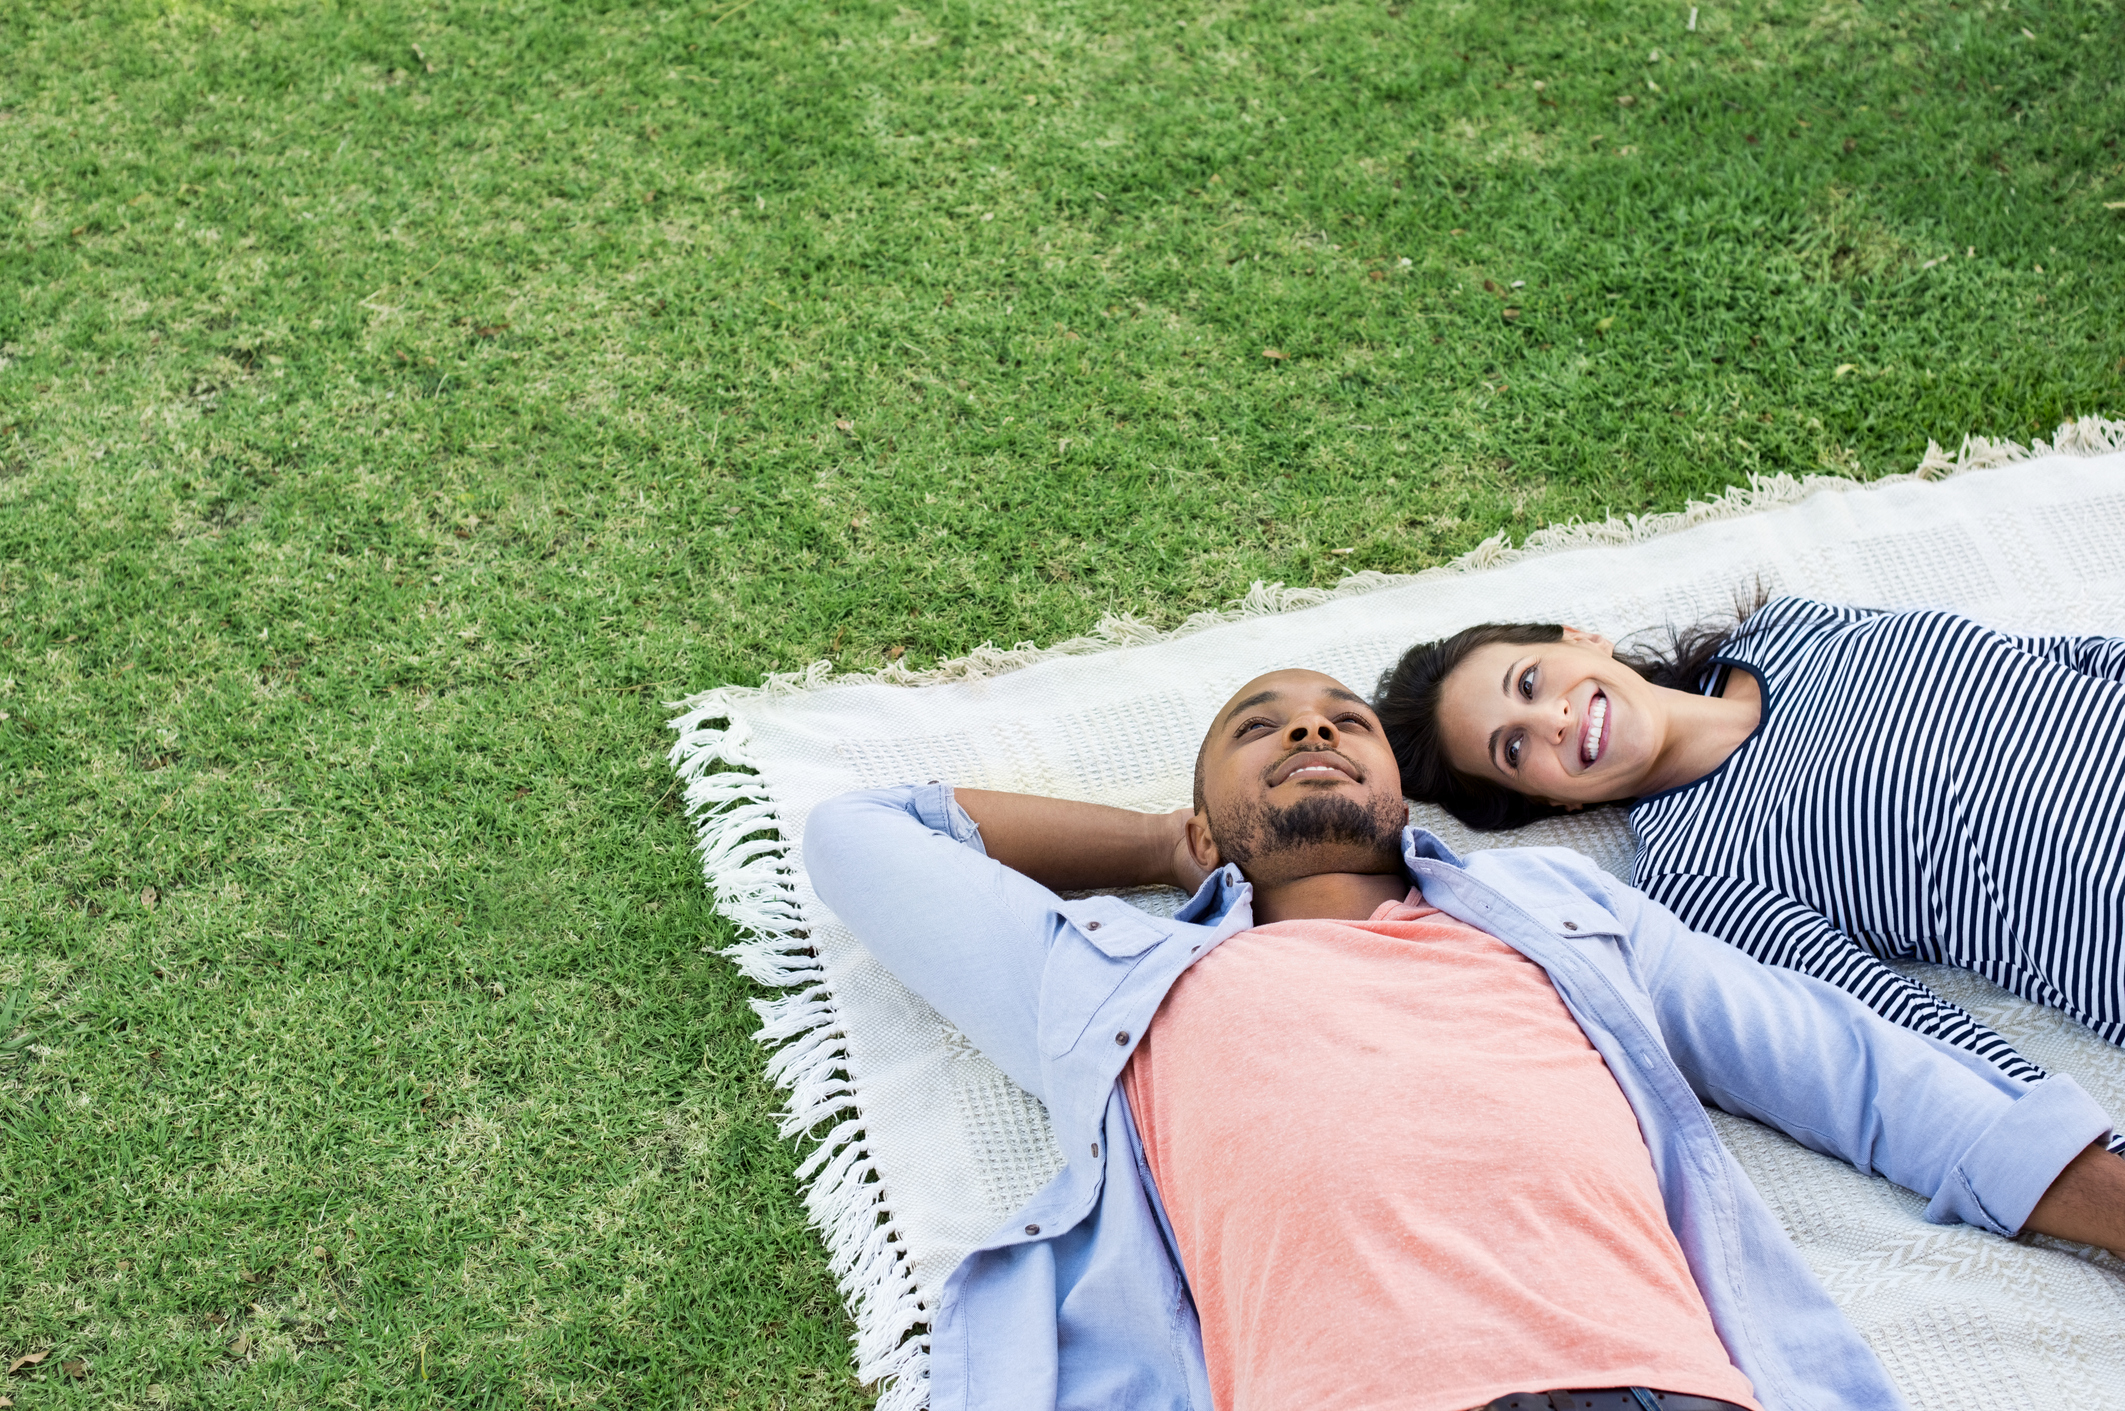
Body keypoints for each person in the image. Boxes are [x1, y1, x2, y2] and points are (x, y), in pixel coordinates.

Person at [804, 668, 2125, 1411]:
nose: (1310, 728)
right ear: (1205, 815)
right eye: (1257, 728)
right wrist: (1164, 848)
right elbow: (862, 833)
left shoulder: (1563, 909)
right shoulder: (1110, 979)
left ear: (1397, 785)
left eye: (1342, 719)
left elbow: (1849, 1067)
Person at [1373, 596, 2125, 1090]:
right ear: (1545, 799)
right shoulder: (1695, 872)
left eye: (1530, 682)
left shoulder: (1788, 628)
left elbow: (2065, 658)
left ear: (1582, 638)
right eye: (1513, 748)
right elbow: (1897, 1028)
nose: (1553, 721)